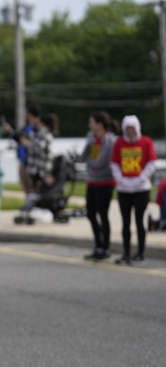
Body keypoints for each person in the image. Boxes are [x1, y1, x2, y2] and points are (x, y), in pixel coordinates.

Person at [110, 114, 157, 265]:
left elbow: (151, 162)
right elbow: (114, 163)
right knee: (125, 222)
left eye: (132, 128)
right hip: (124, 189)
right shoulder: (119, 142)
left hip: (141, 188)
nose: (130, 131)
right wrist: (121, 179)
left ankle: (141, 253)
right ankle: (126, 253)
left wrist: (140, 178)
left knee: (139, 221)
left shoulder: (146, 142)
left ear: (137, 128)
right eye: (127, 128)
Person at [81, 111, 117, 261]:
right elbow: (82, 157)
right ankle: (98, 245)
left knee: (103, 214)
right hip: (92, 180)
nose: (89, 125)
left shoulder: (109, 140)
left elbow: (101, 162)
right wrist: (88, 145)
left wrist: (89, 162)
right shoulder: (91, 138)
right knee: (90, 213)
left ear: (100, 124)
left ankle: (105, 247)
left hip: (105, 182)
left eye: (92, 122)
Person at [3, 106, 38, 199]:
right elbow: (20, 139)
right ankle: (29, 203)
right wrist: (10, 131)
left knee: (33, 189)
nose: (25, 115)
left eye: (27, 113)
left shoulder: (36, 128)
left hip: (31, 164)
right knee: (26, 190)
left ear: (31, 114)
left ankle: (35, 205)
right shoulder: (26, 128)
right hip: (23, 162)